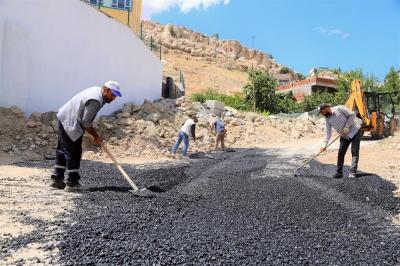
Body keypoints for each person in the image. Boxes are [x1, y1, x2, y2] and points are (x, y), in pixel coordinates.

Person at [50, 81, 122, 191]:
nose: (113, 98)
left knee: (63, 150)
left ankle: (57, 180)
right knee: (73, 152)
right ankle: (72, 184)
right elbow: (86, 122)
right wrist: (96, 136)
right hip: (70, 122)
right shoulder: (95, 100)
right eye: (112, 95)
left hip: (64, 117)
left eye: (115, 96)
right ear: (105, 90)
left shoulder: (97, 92)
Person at [318, 103, 362, 179]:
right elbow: (327, 132)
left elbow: (352, 114)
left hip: (355, 131)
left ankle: (352, 172)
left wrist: (346, 127)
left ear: (326, 109)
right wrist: (324, 145)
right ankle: (339, 172)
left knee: (354, 151)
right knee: (341, 153)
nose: (322, 114)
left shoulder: (340, 109)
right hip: (344, 135)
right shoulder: (327, 119)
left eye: (322, 112)